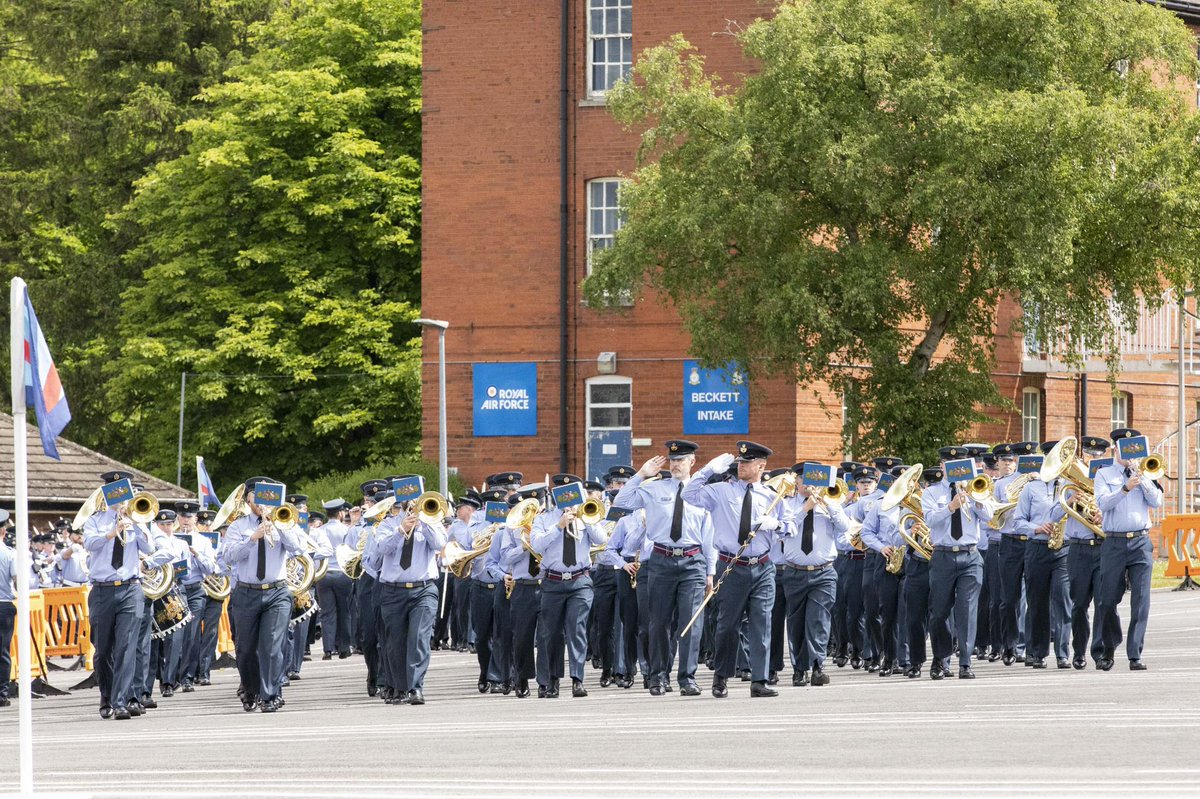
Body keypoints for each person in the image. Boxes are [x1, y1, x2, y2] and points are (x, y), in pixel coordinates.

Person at [682, 441, 790, 698]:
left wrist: (774, 524)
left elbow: (790, 527)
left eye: (747, 462)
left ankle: (760, 680)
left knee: (762, 624)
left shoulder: (772, 495)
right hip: (731, 565)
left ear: (761, 466)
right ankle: (721, 677)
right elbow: (688, 495)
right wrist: (707, 470)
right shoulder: (721, 490)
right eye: (740, 462)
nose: (741, 466)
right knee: (727, 625)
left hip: (763, 566)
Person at [613, 440, 716, 697]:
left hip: (693, 560)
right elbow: (621, 501)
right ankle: (658, 676)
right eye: (672, 460)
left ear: (692, 462)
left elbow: (709, 537)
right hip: (661, 558)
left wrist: (710, 572)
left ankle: (687, 677)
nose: (675, 464)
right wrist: (641, 474)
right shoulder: (655, 488)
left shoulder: (702, 492)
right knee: (658, 622)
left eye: (681, 460)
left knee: (691, 622)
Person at [224, 477, 305, 712]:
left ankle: (271, 694)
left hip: (277, 591)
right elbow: (229, 557)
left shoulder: (284, 520)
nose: (261, 503)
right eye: (256, 498)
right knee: (246, 649)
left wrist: (278, 525)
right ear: (248, 500)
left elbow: (298, 548)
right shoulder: (238, 527)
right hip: (246, 592)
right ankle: (250, 689)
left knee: (272, 646)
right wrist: (253, 538)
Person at [83, 471, 158, 719]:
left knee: (126, 647)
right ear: (107, 495)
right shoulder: (95, 521)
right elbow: (90, 544)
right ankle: (107, 696)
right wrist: (111, 532)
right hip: (102, 590)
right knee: (103, 650)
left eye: (123, 494)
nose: (120, 499)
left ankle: (121, 701)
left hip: (130, 588)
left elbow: (149, 548)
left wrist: (135, 524)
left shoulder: (137, 521)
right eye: (115, 493)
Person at [531, 476, 610, 698]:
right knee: (552, 633)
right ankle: (553, 680)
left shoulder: (586, 516)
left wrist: (584, 518)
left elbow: (601, 539)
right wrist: (559, 526)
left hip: (579, 581)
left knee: (577, 628)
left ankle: (578, 679)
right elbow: (537, 545)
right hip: (553, 581)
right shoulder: (544, 519)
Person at [922, 446, 994, 679]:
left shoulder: (976, 488)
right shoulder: (932, 492)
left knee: (967, 609)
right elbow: (930, 520)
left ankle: (965, 662)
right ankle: (941, 659)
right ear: (942, 467)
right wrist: (950, 506)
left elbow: (990, 516)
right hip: (943, 554)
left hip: (970, 555)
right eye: (948, 464)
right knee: (940, 611)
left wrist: (976, 499)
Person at [1093, 427, 1161, 671]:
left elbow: (1156, 501)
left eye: (1134, 449)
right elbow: (1102, 503)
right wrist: (1125, 488)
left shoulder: (1144, 473)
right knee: (1107, 600)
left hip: (1141, 541)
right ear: (1115, 449)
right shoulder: (1104, 474)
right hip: (1114, 541)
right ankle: (1109, 647)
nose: (1130, 454)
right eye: (1125, 449)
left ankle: (1135, 654)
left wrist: (1142, 481)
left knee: (1141, 599)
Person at [779, 464, 850, 687]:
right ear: (796, 482)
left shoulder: (830, 504)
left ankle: (818, 666)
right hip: (794, 571)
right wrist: (805, 509)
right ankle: (799, 669)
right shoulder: (786, 504)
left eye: (813, 480)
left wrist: (828, 503)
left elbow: (845, 527)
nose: (808, 484)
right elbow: (783, 529)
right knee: (796, 622)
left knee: (818, 619)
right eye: (803, 479)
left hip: (824, 572)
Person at [374, 493, 447, 705]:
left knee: (419, 638)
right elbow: (381, 549)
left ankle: (416, 687)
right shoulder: (388, 525)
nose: (412, 506)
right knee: (395, 642)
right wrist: (401, 531)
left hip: (423, 589)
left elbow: (440, 543)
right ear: (402, 503)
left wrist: (425, 523)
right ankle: (399, 686)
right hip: (393, 590)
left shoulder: (431, 523)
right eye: (409, 502)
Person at [1013, 442, 1071, 669]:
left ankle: (1063, 653)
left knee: (1063, 600)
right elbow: (1018, 522)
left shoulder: (1071, 485)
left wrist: (1075, 502)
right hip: (1037, 547)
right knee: (1037, 602)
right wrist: (1036, 528)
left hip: (1063, 548)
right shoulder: (1031, 488)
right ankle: (1037, 652)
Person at [498, 486, 549, 698]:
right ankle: (522, 677)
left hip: (546, 585)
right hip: (523, 586)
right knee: (522, 637)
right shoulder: (512, 526)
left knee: (548, 636)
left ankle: (545, 681)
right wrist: (524, 547)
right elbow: (505, 557)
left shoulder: (550, 524)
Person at [1065, 435, 1110, 669]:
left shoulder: (1109, 481)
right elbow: (1055, 514)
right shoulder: (1068, 483)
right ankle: (1079, 650)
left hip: (1103, 548)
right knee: (1079, 604)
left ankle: (1100, 652)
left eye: (1098, 455)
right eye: (1089, 454)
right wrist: (1071, 500)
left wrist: (1105, 512)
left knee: (1103, 603)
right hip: (1079, 549)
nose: (1093, 458)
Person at [316, 499, 356, 660]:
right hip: (342, 573)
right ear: (340, 513)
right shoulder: (346, 529)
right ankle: (344, 647)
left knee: (327, 612)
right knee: (344, 611)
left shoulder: (320, 530)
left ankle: (328, 648)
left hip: (324, 574)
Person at [0, 517, 15, 708]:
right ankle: (1, 693)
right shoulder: (10, 553)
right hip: (3, 604)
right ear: (3, 532)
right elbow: (19, 580)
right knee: (3, 651)